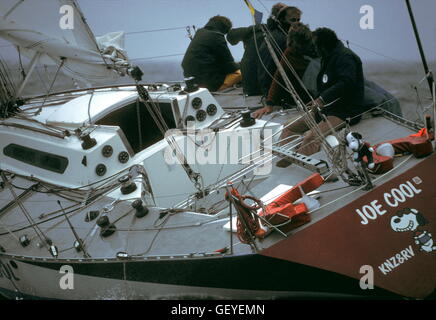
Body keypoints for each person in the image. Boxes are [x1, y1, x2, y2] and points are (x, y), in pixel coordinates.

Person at [272, 27, 365, 167]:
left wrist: (322, 99)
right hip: (326, 109)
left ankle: (300, 164)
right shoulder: (328, 55)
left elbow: (346, 83)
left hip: (344, 111)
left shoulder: (345, 57)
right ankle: (286, 156)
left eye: (316, 46)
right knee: (289, 127)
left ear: (323, 46)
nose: (314, 49)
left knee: (312, 136)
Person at [253, 22, 316, 119]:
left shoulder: (319, 49)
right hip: (305, 94)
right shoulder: (290, 53)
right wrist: (270, 104)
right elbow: (280, 76)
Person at [227, 3, 287, 96]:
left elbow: (231, 36)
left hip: (250, 88)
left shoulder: (256, 30)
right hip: (269, 90)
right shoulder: (283, 36)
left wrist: (250, 32)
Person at [181, 15, 242, 92]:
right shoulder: (217, 36)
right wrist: (242, 64)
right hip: (208, 83)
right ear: (224, 29)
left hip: (191, 80)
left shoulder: (200, 32)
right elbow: (229, 65)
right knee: (240, 73)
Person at [257, 5, 303, 96]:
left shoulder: (275, 34)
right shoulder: (281, 39)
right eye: (293, 20)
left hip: (271, 88)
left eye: (298, 20)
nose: (297, 24)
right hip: (277, 91)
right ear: (282, 20)